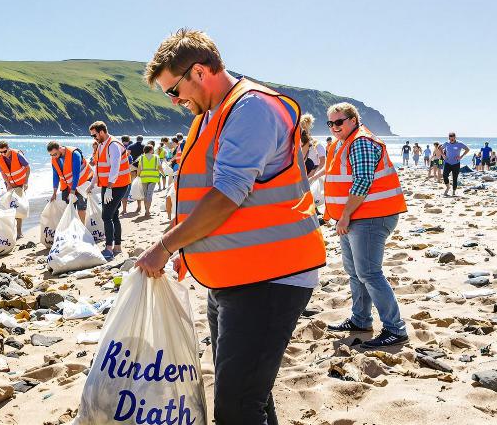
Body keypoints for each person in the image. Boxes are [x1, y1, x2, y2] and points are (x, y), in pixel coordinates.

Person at [136, 28, 326, 425]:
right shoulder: (209, 115)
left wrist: (166, 246)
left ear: (200, 72)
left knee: (237, 408)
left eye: (175, 90)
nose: (175, 101)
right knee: (248, 395)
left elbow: (227, 194)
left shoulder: (251, 108)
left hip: (273, 276)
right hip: (234, 275)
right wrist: (188, 249)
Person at [323, 103, 409, 348]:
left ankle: (395, 329)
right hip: (354, 217)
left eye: (339, 122)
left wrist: (346, 215)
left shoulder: (360, 141)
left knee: (369, 273)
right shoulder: (343, 142)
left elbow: (363, 181)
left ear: (353, 119)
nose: (334, 127)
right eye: (330, 123)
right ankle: (361, 319)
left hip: (369, 217)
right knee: (356, 273)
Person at [90, 121, 131, 259]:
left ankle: (108, 248)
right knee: (113, 215)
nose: (93, 138)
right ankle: (117, 246)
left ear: (101, 132)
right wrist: (92, 184)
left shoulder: (113, 145)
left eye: (94, 135)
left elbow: (115, 167)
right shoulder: (101, 145)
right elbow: (99, 166)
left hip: (117, 186)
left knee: (106, 216)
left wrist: (109, 187)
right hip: (108, 185)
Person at [47, 141, 93, 222]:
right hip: (67, 185)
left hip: (82, 183)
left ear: (60, 148)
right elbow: (55, 175)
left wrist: (73, 190)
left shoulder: (74, 154)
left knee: (81, 207)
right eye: (51, 155)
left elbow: (76, 174)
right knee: (69, 208)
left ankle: (82, 228)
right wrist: (54, 192)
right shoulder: (54, 158)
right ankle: (72, 229)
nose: (53, 157)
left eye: (55, 154)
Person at [0, 141, 30, 236]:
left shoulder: (17, 155)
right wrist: (8, 184)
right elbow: (2, 172)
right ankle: (12, 231)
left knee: (18, 208)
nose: (3, 154)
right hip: (10, 185)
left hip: (20, 185)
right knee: (10, 208)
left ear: (9, 148)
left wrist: (26, 182)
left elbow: (28, 167)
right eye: (0, 152)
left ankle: (19, 231)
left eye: (5, 151)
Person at [133, 144, 161, 218]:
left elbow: (139, 168)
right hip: (153, 178)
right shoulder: (156, 157)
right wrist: (164, 174)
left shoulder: (141, 158)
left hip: (144, 177)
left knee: (145, 195)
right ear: (151, 150)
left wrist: (138, 176)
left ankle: (146, 210)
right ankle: (147, 211)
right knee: (149, 195)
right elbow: (159, 167)